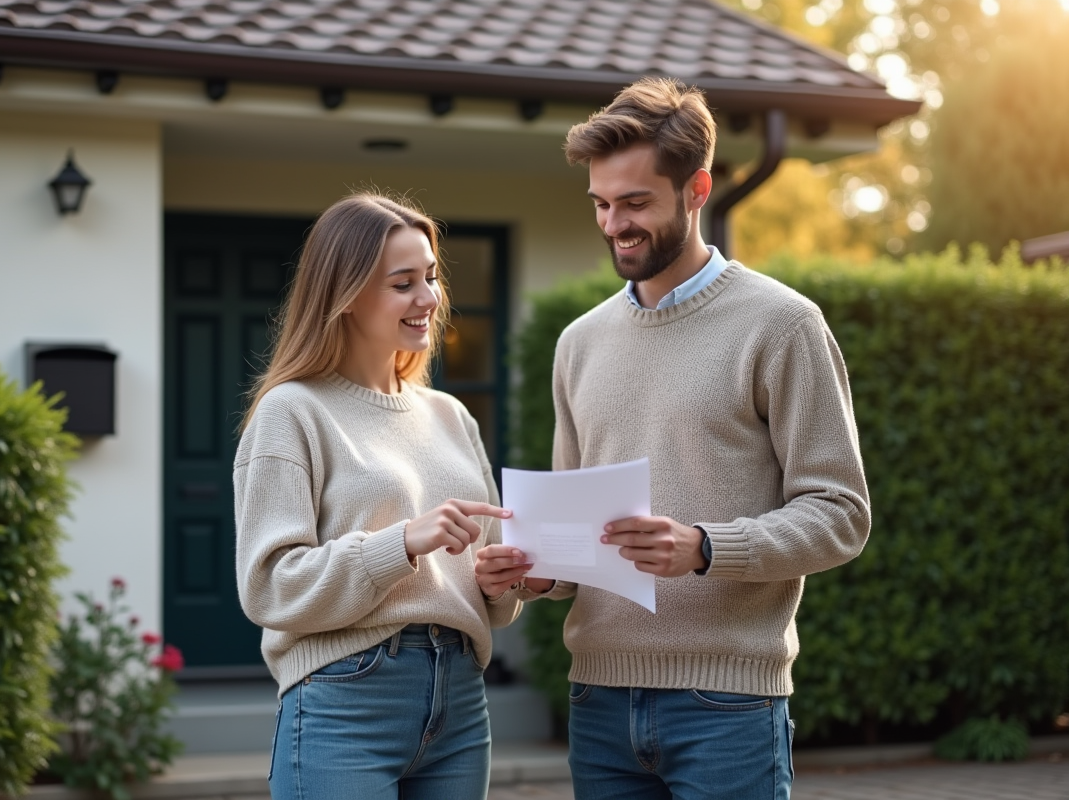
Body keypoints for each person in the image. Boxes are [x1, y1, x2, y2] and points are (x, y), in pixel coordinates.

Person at [476, 77, 871, 799]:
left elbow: (842, 514)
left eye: (635, 203)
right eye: (600, 203)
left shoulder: (782, 326)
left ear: (697, 190)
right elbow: (576, 545)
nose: (613, 224)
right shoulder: (578, 343)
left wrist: (705, 547)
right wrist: (537, 573)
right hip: (598, 703)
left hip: (728, 707)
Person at [234, 192, 521, 800]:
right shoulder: (293, 412)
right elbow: (270, 585)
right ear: (346, 294)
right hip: (347, 701)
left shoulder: (451, 417)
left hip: (461, 701)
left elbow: (484, 587)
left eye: (433, 277)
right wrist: (402, 541)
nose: (430, 299)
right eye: (404, 283)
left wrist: (500, 582)